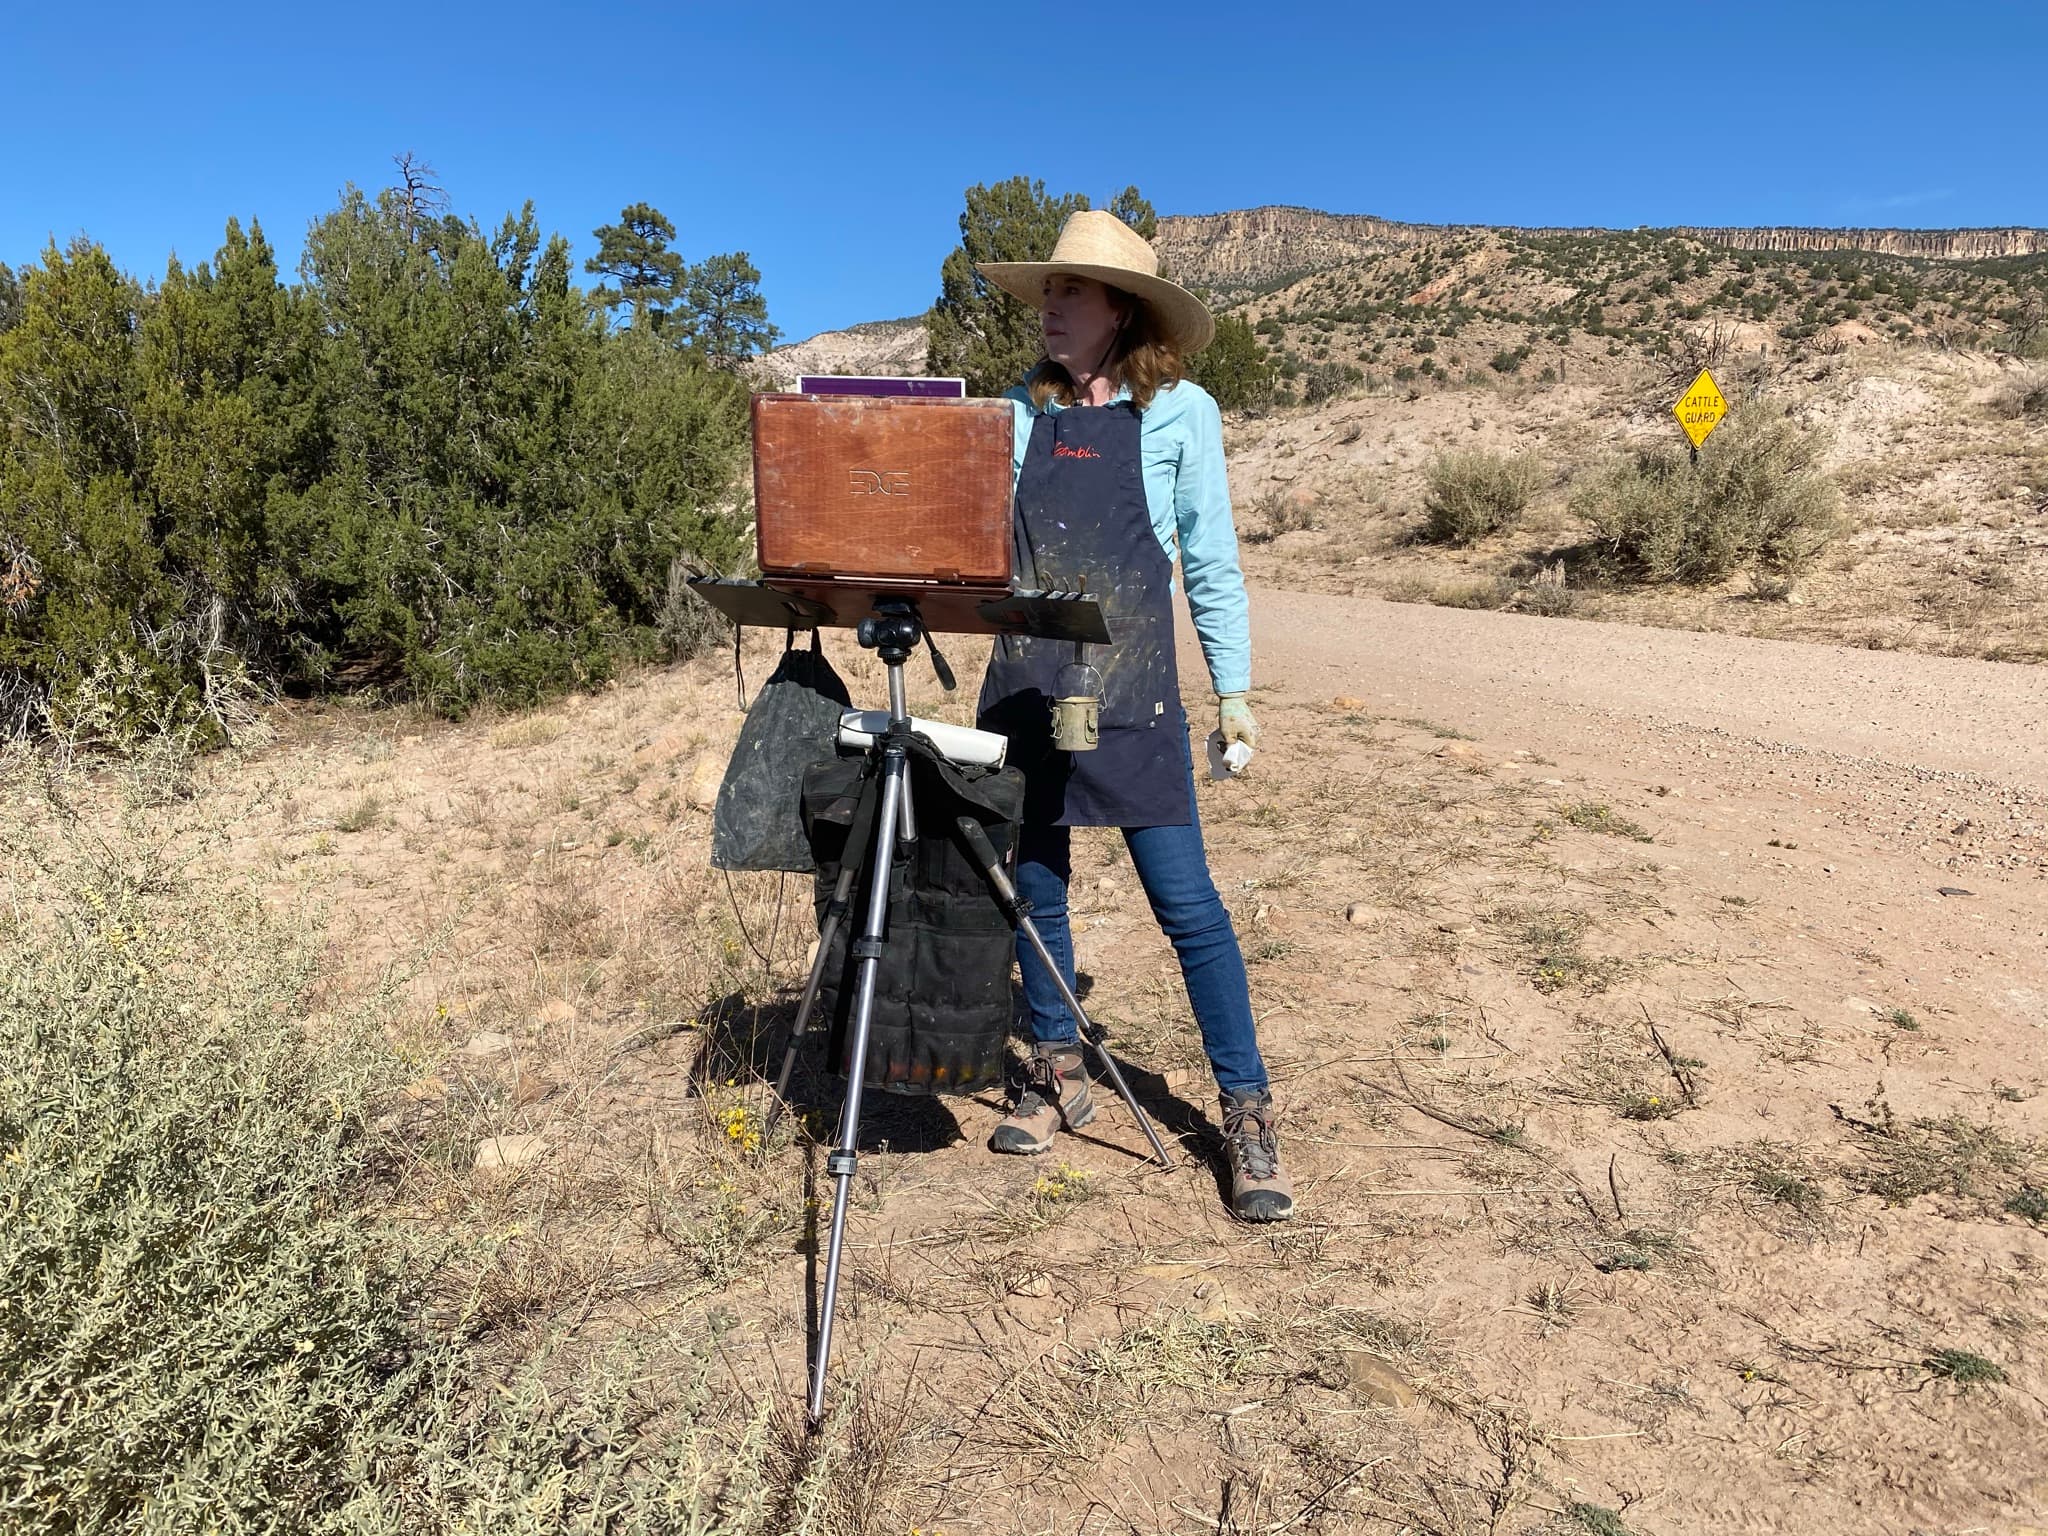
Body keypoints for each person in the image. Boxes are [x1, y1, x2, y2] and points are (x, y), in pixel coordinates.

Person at [972, 209, 1293, 1222]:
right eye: (1046, 294)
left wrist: (1233, 691)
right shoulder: (1015, 416)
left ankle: (1244, 1113)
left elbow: (1208, 560)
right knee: (1032, 888)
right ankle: (1057, 1066)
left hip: (1135, 689)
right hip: (1027, 681)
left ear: (1121, 311)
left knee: (1186, 905)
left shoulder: (1179, 414)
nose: (1051, 310)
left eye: (1071, 294)